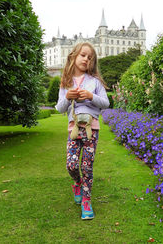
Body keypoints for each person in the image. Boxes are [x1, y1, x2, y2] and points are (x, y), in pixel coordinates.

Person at [56, 42, 109, 220]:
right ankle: (77, 183)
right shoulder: (65, 82)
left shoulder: (95, 82)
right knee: (71, 165)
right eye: (83, 55)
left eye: (90, 57)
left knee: (87, 166)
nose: (86, 59)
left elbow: (106, 103)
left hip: (91, 130)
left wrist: (91, 96)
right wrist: (67, 97)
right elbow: (60, 108)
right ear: (73, 56)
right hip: (73, 129)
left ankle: (86, 199)